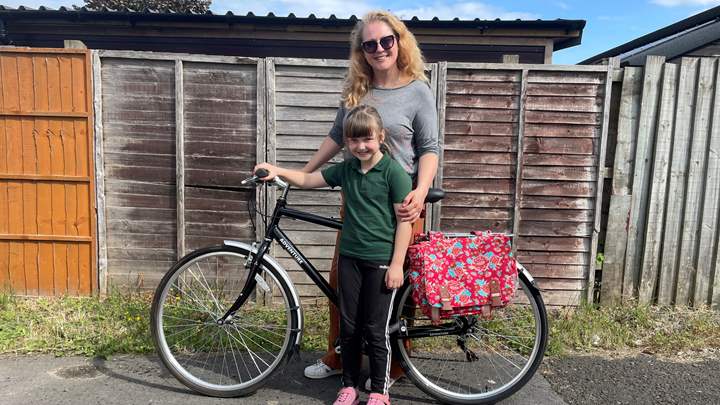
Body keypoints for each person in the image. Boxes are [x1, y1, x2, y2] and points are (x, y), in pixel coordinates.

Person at [300, 10, 439, 390]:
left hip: (401, 204)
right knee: (341, 285)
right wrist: (297, 175)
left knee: (395, 289)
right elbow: (334, 137)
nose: (379, 49)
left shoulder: (417, 91)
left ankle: (393, 366)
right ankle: (339, 356)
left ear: (399, 41)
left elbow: (429, 148)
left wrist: (421, 191)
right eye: (370, 43)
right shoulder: (356, 90)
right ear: (361, 49)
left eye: (386, 41)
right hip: (358, 202)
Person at [256, 105, 413, 405]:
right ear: (347, 142)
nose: (360, 146)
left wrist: (396, 264)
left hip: (380, 260)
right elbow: (307, 180)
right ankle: (350, 386)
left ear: (381, 136)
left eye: (367, 139)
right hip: (350, 258)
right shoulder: (346, 169)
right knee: (349, 326)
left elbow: (404, 223)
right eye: (353, 140)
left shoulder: (395, 174)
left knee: (376, 329)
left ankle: (379, 391)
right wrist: (277, 171)